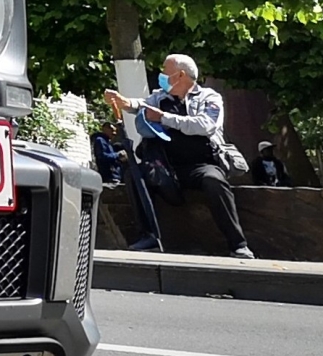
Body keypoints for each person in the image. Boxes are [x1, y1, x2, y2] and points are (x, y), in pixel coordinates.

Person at [104, 54, 254, 259]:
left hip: (201, 164)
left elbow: (205, 125)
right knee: (134, 174)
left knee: (214, 181)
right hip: (165, 165)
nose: (161, 75)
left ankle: (238, 244)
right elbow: (141, 105)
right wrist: (123, 102)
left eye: (165, 71)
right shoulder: (159, 97)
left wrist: (164, 118)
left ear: (180, 75)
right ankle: (149, 237)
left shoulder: (209, 98)